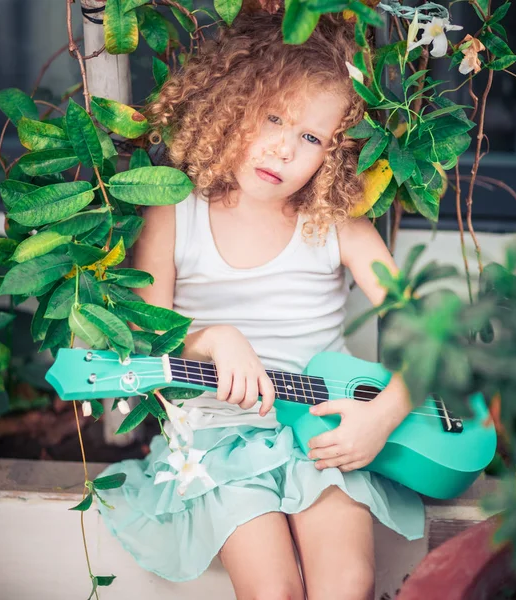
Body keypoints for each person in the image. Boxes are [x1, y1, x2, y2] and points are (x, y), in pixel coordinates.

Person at [96, 8, 424, 599]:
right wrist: (212, 337)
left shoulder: (340, 226)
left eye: (309, 137)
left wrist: (384, 414)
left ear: (335, 153)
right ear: (232, 104)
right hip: (216, 435)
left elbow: (433, 333)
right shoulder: (173, 208)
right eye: (273, 117)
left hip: (322, 430)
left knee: (347, 582)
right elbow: (146, 331)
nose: (282, 149)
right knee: (271, 590)